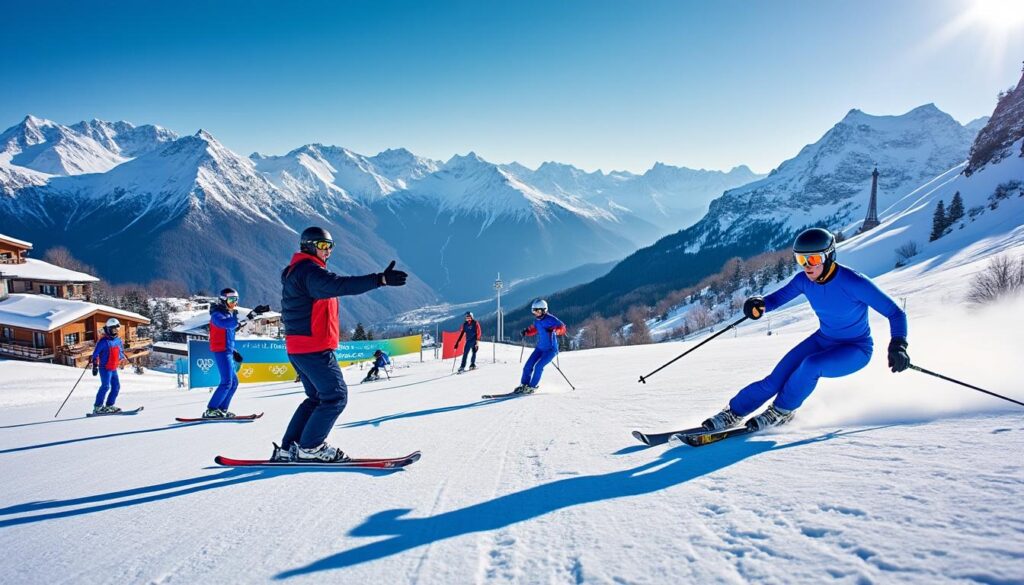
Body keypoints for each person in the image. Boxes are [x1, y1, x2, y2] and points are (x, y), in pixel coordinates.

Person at [701, 227, 910, 432]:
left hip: (856, 349)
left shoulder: (854, 282)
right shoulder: (804, 280)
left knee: (811, 365)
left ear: (829, 257)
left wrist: (898, 345)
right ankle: (733, 412)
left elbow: (896, 313)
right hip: (823, 340)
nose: (807, 266)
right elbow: (776, 299)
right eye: (801, 260)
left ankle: (782, 411)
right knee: (774, 380)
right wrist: (758, 304)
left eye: (814, 260)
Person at [272, 226, 408, 462]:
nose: (328, 251)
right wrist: (381, 279)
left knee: (316, 398)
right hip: (313, 348)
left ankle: (289, 448)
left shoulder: (300, 271)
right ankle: (311, 448)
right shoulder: (309, 272)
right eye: (323, 246)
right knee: (335, 397)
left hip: (300, 347)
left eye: (330, 246)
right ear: (309, 246)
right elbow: (341, 285)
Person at [203, 288, 271, 418]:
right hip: (221, 351)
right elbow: (225, 324)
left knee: (234, 383)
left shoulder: (228, 314)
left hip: (227, 350)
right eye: (231, 300)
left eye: (236, 300)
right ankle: (211, 409)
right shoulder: (217, 314)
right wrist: (247, 316)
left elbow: (233, 328)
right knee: (227, 382)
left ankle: (221, 409)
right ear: (223, 300)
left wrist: (254, 313)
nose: (234, 303)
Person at [514, 299, 567, 394]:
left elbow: (562, 327)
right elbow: (534, 329)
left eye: (538, 311)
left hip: (550, 350)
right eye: (534, 311)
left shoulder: (551, 319)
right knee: (527, 366)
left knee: (538, 367)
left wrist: (557, 331)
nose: (536, 313)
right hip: (540, 348)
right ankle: (524, 385)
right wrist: (526, 331)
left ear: (544, 310)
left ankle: (532, 387)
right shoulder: (537, 321)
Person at [89, 318, 129, 414]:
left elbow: (120, 352)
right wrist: (95, 366)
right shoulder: (103, 342)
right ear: (108, 329)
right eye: (113, 329)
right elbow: (95, 354)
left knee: (116, 387)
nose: (115, 331)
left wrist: (123, 358)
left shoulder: (118, 341)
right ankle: (98, 407)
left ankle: (109, 405)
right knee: (105, 386)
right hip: (105, 368)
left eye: (117, 329)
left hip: (113, 368)